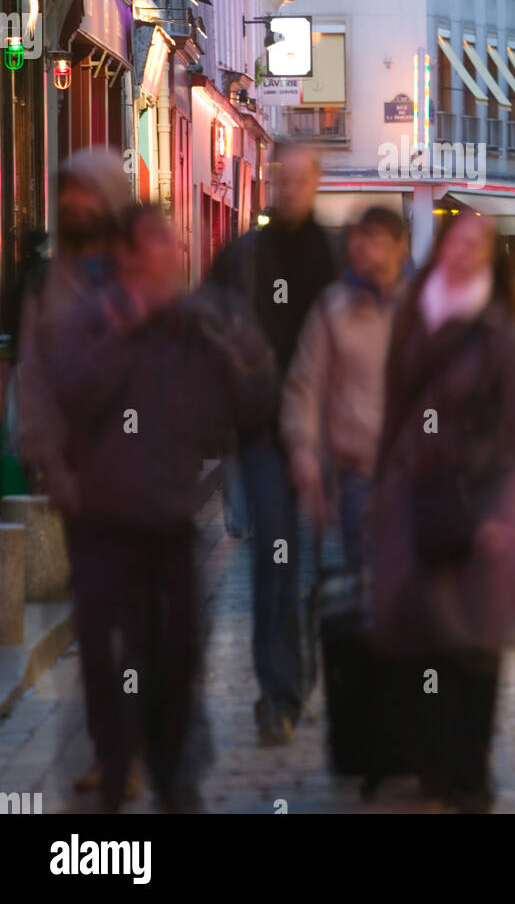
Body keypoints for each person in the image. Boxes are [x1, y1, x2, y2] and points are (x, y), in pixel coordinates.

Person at [48, 204, 277, 812]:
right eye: (161, 244)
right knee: (106, 656)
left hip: (171, 523)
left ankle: (175, 779)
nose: (175, 254)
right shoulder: (94, 318)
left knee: (175, 659)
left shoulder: (197, 321)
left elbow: (248, 404)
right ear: (127, 255)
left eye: (175, 243)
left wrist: (243, 354)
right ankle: (116, 769)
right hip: (102, 523)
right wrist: (126, 330)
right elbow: (73, 394)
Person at [372, 212, 515, 813]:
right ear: (440, 247)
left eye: (478, 244)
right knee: (423, 636)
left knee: (474, 643)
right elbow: (393, 408)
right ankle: (432, 766)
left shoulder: (500, 333)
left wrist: (508, 512)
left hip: (478, 505)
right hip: (415, 500)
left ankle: (469, 772)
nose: (464, 251)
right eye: (456, 241)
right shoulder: (413, 317)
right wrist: (382, 489)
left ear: (489, 257)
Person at [16, 148, 138, 799]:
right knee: (97, 626)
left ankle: (139, 738)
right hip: (81, 485)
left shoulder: (140, 269)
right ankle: (110, 748)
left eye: (89, 195)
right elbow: (32, 375)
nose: (77, 207)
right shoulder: (48, 282)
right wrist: (44, 454)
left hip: (145, 483)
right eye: (69, 196)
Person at [209, 141, 335, 745]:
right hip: (264, 432)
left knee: (331, 567)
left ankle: (306, 676)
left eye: (299, 178)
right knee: (275, 561)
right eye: (280, 178)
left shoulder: (335, 256)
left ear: (316, 182)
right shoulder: (244, 257)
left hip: (330, 436)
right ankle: (277, 694)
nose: (288, 188)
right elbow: (206, 324)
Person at [281, 206, 408, 569]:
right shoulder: (333, 308)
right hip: (358, 474)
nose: (366, 250)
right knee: (367, 581)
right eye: (362, 241)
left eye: (378, 242)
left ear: (399, 247)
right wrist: (302, 447)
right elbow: (305, 383)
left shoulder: (417, 310)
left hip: (410, 475)